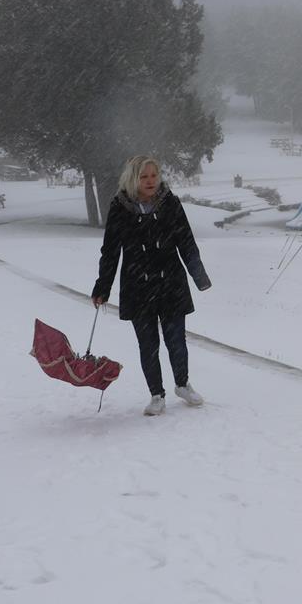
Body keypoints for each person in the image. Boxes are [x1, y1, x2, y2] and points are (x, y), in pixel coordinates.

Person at [91, 156, 212, 416]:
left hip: (171, 281)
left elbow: (186, 242)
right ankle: (156, 395)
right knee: (148, 344)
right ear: (133, 179)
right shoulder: (119, 207)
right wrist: (102, 287)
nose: (150, 181)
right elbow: (110, 251)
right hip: (137, 285)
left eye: (153, 176)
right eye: (144, 177)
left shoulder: (170, 203)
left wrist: (199, 276)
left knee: (176, 340)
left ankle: (182, 384)